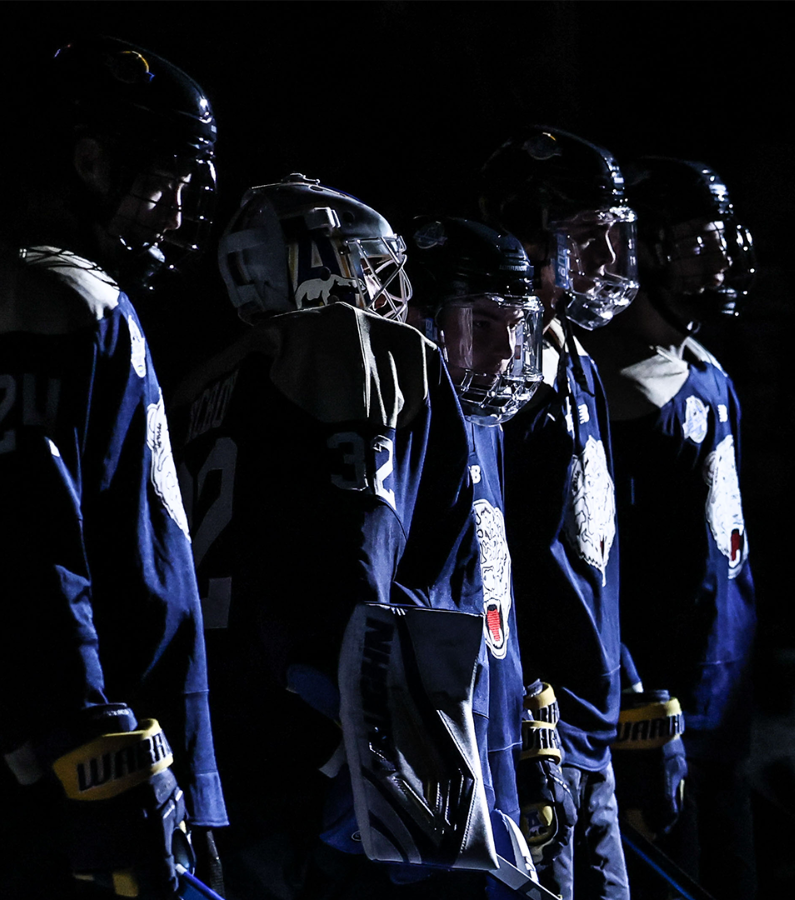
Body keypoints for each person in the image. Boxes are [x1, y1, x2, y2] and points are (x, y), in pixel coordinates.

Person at [0, 36, 225, 899]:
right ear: (89, 160)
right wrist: (87, 740)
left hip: (116, 750)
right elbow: (24, 548)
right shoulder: (44, 300)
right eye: (162, 183)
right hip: (70, 776)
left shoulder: (78, 295)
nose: (171, 215)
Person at [175, 172, 505, 900]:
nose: (396, 297)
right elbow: (356, 549)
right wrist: (369, 722)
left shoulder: (205, 383)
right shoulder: (346, 344)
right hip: (316, 734)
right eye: (376, 269)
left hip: (219, 723)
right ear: (318, 262)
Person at [584, 157, 759, 900]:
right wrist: (637, 707)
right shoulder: (615, 385)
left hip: (717, 703)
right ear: (644, 247)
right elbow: (606, 562)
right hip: (653, 711)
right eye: (696, 240)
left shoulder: (705, 370)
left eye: (721, 238)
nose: (717, 258)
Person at [476, 126, 639, 900]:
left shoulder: (573, 356)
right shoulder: (494, 368)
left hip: (590, 729)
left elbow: (595, 546)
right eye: (586, 239)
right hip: (536, 729)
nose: (607, 263)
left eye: (613, 240)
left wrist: (624, 681)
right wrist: (519, 692)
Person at [403, 215, 552, 900]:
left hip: (492, 741)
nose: (504, 351)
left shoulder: (488, 430)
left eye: (514, 326)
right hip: (438, 759)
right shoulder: (409, 423)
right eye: (482, 325)